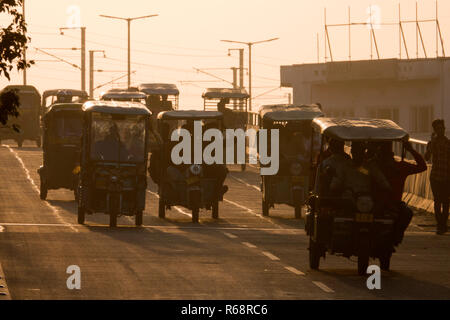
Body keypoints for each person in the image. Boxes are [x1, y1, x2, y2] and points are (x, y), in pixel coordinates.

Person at [376, 140, 427, 243]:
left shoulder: (399, 167)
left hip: (393, 204)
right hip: (375, 203)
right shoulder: (374, 167)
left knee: (407, 213)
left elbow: (422, 167)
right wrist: (411, 150)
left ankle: (396, 237)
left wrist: (411, 150)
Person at [425, 119, 450, 234]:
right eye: (439, 129)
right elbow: (426, 157)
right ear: (435, 130)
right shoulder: (432, 143)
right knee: (438, 201)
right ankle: (440, 224)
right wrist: (431, 143)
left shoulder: (448, 143)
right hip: (435, 176)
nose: (441, 131)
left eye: (443, 128)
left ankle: (443, 224)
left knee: (446, 201)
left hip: (446, 176)